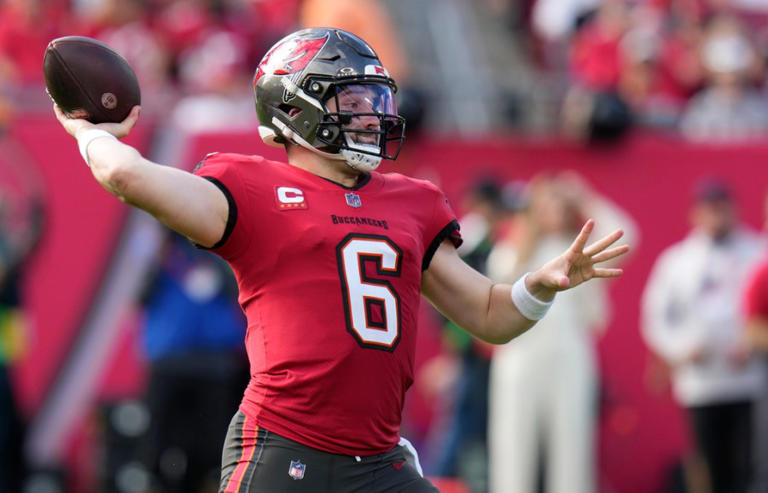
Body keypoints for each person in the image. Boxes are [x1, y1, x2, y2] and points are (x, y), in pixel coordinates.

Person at [52, 27, 628, 493]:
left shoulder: (412, 201)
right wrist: (85, 131)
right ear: (295, 108)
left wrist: (542, 285)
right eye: (351, 101)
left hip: (381, 463)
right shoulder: (251, 187)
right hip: (284, 449)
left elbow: (490, 315)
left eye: (376, 101)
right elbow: (125, 175)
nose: (371, 116)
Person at [486, 172, 636, 493]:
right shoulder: (512, 250)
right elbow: (500, 278)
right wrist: (528, 226)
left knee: (573, 445)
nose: (553, 210)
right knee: (513, 446)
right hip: (519, 358)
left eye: (558, 202)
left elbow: (627, 237)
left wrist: (585, 197)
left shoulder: (578, 252)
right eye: (545, 203)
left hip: (570, 356)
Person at [642, 178, 765, 493]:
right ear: (695, 214)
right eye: (710, 209)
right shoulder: (677, 260)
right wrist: (682, 348)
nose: (717, 216)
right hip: (700, 381)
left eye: (722, 208)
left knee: (749, 465)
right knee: (709, 464)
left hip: (748, 378)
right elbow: (655, 316)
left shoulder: (757, 253)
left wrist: (752, 343)